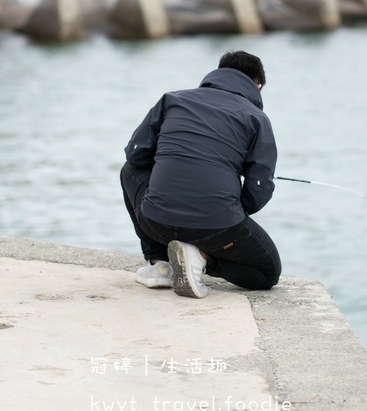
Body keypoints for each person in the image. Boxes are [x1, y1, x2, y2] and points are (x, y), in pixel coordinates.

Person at [120, 50, 281, 299]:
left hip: (156, 222)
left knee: (129, 171)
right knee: (268, 275)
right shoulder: (257, 118)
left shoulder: (171, 100)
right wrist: (229, 205)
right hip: (219, 228)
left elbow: (136, 157)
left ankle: (159, 263)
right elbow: (258, 190)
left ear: (217, 74)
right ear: (257, 85)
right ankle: (203, 258)